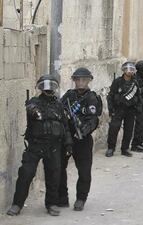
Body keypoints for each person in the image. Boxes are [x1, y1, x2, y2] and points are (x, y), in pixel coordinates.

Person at [7, 75, 73, 216]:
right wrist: (32, 109)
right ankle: (17, 204)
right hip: (36, 145)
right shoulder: (34, 102)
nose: (49, 89)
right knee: (26, 173)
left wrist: (68, 144)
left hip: (54, 146)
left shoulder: (59, 105)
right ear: (41, 88)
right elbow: (30, 108)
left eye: (51, 86)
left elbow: (65, 126)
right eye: (45, 86)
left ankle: (52, 204)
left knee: (54, 175)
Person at [58, 68, 102, 211]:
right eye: (78, 79)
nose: (81, 82)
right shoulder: (69, 96)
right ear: (74, 81)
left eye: (84, 79)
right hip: (66, 137)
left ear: (89, 81)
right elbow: (59, 110)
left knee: (84, 171)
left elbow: (93, 119)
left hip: (82, 139)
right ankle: (62, 198)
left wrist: (83, 130)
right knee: (59, 168)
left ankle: (81, 198)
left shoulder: (92, 98)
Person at [106, 61, 142, 157]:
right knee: (114, 128)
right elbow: (111, 95)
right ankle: (111, 148)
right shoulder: (117, 81)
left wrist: (138, 109)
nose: (129, 72)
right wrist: (111, 109)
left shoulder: (135, 83)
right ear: (124, 70)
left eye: (131, 70)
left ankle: (125, 149)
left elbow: (138, 96)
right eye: (127, 69)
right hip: (118, 109)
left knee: (129, 130)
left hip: (130, 110)